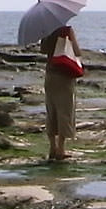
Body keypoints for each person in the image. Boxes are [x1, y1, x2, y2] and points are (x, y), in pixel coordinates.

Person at [39, 23, 81, 161]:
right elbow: (76, 51)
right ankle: (61, 148)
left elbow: (43, 50)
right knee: (65, 111)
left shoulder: (47, 30)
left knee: (51, 110)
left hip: (50, 74)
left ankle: (52, 147)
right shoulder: (67, 30)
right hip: (64, 75)